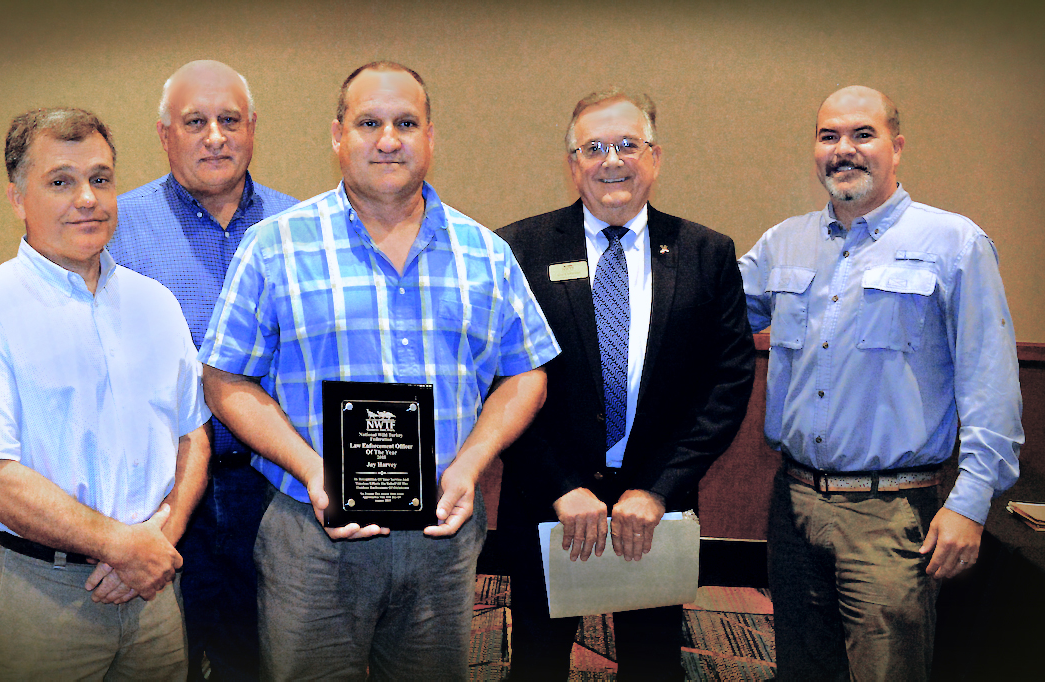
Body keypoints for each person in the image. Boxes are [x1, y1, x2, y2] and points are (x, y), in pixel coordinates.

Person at [198, 61, 560, 681]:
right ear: (338, 135)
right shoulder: (275, 246)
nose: (388, 139)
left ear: (430, 138)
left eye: (405, 123)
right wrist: (314, 471)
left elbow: (527, 373)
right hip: (311, 535)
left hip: (443, 541)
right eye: (369, 122)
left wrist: (471, 464)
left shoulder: (486, 253)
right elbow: (225, 380)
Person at [738, 85, 1023, 681]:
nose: (845, 149)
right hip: (792, 506)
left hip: (892, 514)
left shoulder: (955, 244)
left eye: (862, 135)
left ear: (896, 146)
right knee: (800, 667)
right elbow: (700, 315)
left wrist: (970, 506)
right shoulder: (782, 243)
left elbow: (991, 386)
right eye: (828, 136)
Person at [0, 107, 212, 680]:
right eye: (61, 181)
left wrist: (155, 543)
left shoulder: (157, 304)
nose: (87, 197)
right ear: (17, 199)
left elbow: (194, 437)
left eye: (101, 178)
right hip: (40, 602)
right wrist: (121, 546)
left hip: (154, 589)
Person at [496, 91, 755, 681]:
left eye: (627, 145)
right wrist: (560, 485)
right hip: (549, 502)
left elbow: (729, 381)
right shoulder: (517, 250)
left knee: (652, 663)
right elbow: (499, 380)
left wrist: (661, 488)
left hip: (655, 507)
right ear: (572, 163)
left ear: (655, 158)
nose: (611, 161)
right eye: (594, 148)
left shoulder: (706, 253)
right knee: (535, 661)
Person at [106, 59, 297, 682]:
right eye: (195, 122)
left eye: (229, 120)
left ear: (252, 129)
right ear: (165, 135)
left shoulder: (302, 228)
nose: (215, 136)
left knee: (267, 658)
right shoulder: (114, 229)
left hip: (271, 488)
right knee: (162, 660)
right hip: (158, 492)